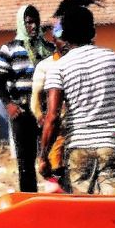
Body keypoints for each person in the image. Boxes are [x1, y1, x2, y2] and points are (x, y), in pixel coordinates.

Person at [41, 0, 115, 195]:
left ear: (65, 33)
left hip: (79, 149)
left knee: (86, 213)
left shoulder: (58, 67)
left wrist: (43, 156)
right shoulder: (113, 58)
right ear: (93, 31)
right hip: (111, 144)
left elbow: (53, 117)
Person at [0, 3, 49, 192]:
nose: (33, 26)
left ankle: (57, 198)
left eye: (36, 22)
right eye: (28, 22)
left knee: (51, 155)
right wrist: (8, 104)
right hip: (22, 112)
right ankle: (29, 197)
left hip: (45, 111)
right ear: (21, 24)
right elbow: (0, 81)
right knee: (25, 159)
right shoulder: (8, 49)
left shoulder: (47, 49)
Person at [29, 18, 71, 191]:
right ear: (54, 40)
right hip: (57, 125)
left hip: (78, 126)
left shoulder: (77, 62)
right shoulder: (46, 66)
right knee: (57, 166)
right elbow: (35, 98)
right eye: (62, 38)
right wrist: (41, 118)